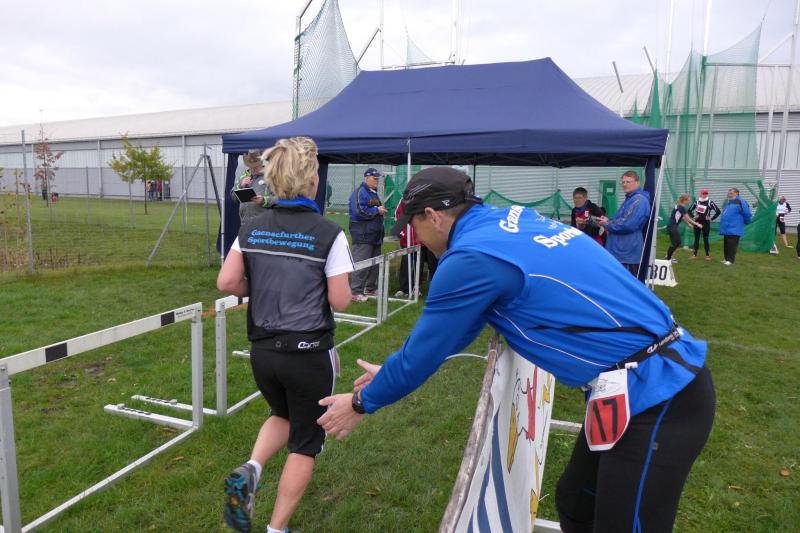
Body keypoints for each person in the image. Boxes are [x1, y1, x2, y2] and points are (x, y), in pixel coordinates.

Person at [317, 167, 715, 533]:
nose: (415, 238)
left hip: (661, 395)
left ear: (434, 216)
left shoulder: (469, 258)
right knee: (575, 504)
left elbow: (424, 353)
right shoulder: (505, 220)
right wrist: (392, 371)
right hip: (634, 383)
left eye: (414, 226)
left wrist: (361, 402)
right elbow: (455, 333)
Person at [216, 137, 354, 533]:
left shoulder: (253, 228)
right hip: (309, 352)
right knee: (305, 443)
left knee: (282, 414)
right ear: (312, 181)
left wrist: (256, 288)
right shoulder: (329, 233)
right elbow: (340, 300)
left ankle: (252, 468)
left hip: (263, 352)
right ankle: (276, 529)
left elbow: (227, 282)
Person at [597, 170, 651, 277]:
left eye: (628, 182)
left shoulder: (639, 200)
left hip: (627, 252)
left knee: (625, 283)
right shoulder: (631, 198)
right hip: (620, 251)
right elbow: (621, 219)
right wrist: (608, 220)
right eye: (623, 182)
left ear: (637, 182)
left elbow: (627, 224)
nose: (625, 184)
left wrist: (606, 224)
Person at [348, 168, 387, 302]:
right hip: (363, 235)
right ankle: (355, 292)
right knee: (361, 263)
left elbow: (373, 210)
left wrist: (379, 211)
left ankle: (370, 289)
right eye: (374, 178)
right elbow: (359, 211)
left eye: (377, 178)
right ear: (366, 178)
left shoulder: (373, 193)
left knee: (374, 264)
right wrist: (377, 210)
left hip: (374, 236)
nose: (377, 181)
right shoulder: (360, 192)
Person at [393, 201, 438, 297]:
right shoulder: (405, 200)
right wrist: (403, 234)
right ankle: (404, 289)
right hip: (408, 241)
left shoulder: (431, 198)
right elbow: (397, 215)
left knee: (427, 264)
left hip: (427, 240)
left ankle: (423, 288)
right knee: (407, 263)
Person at [233, 149, 271, 221]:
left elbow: (277, 199)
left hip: (264, 222)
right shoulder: (242, 177)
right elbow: (233, 197)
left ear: (261, 163)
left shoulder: (270, 177)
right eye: (251, 166)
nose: (253, 169)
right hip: (245, 221)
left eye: (255, 166)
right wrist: (240, 186)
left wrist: (263, 200)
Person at [718, 187, 752, 266]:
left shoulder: (741, 201)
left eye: (731, 193)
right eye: (729, 193)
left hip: (734, 228)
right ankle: (726, 259)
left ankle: (730, 260)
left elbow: (747, 213)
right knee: (727, 244)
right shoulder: (730, 202)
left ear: (736, 193)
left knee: (732, 245)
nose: (729, 194)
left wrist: (747, 221)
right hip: (727, 228)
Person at [665, 194, 702, 262]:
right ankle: (668, 258)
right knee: (677, 242)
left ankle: (668, 256)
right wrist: (697, 224)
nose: (689, 201)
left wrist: (688, 224)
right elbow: (687, 218)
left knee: (675, 242)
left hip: (672, 226)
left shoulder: (679, 206)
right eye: (688, 200)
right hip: (672, 226)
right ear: (684, 200)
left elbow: (682, 217)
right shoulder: (681, 207)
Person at [687, 188, 721, 261]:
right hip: (697, 223)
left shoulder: (710, 202)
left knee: (706, 239)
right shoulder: (696, 202)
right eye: (703, 193)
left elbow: (718, 211)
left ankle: (707, 255)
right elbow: (689, 210)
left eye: (706, 193)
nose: (705, 195)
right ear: (700, 194)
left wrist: (711, 218)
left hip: (706, 223)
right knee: (696, 239)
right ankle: (694, 255)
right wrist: (693, 216)